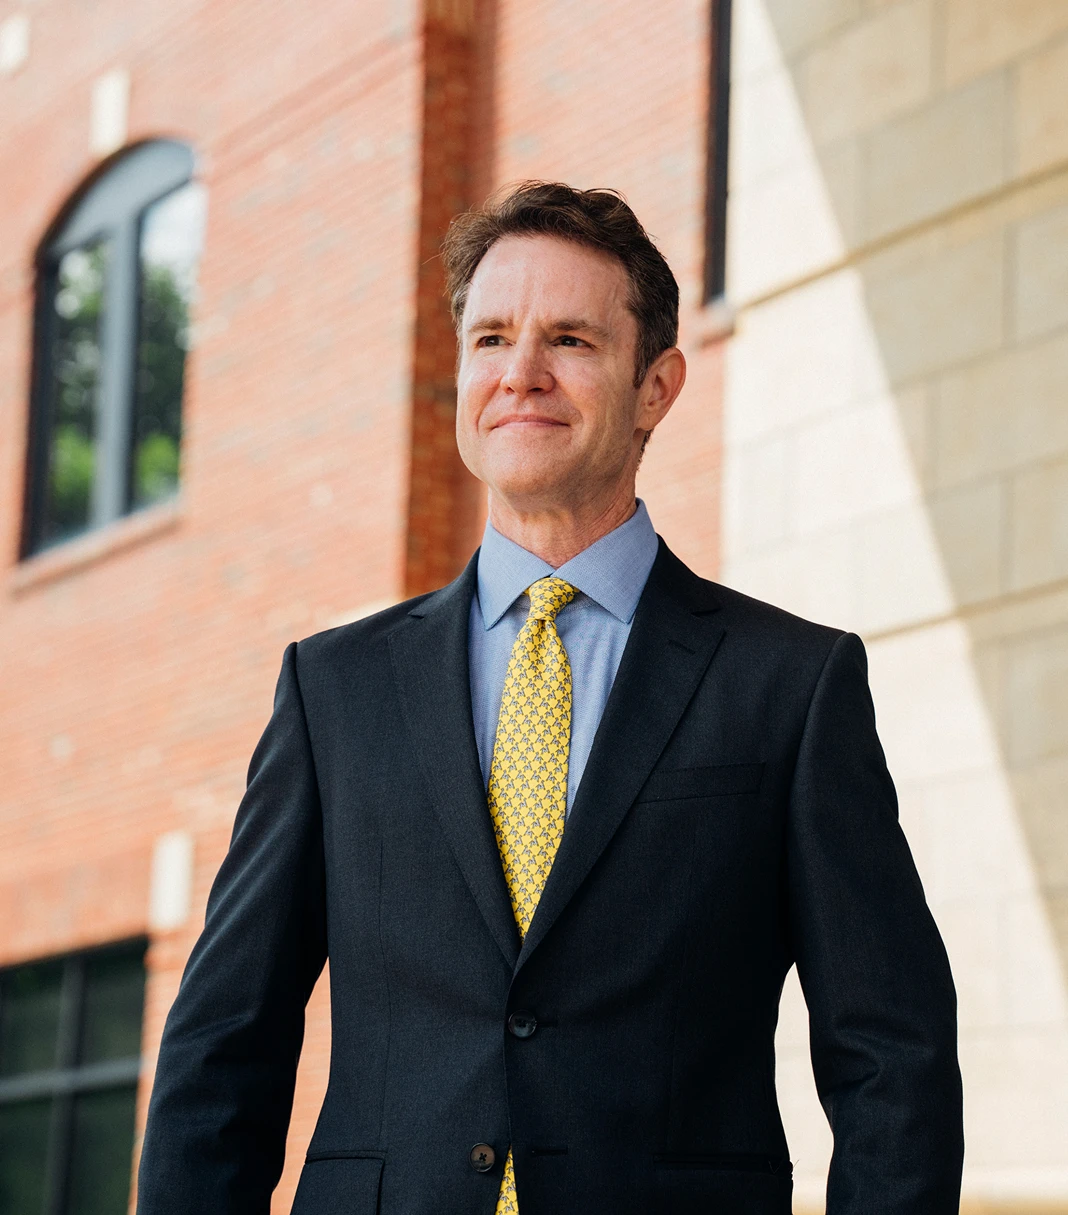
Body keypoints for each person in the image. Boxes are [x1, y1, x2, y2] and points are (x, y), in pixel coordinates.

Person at [136, 182, 964, 1215]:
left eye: (569, 339)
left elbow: (893, 1058)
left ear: (655, 386)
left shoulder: (791, 686)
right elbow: (224, 1047)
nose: (519, 373)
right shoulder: (333, 690)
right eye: (490, 339)